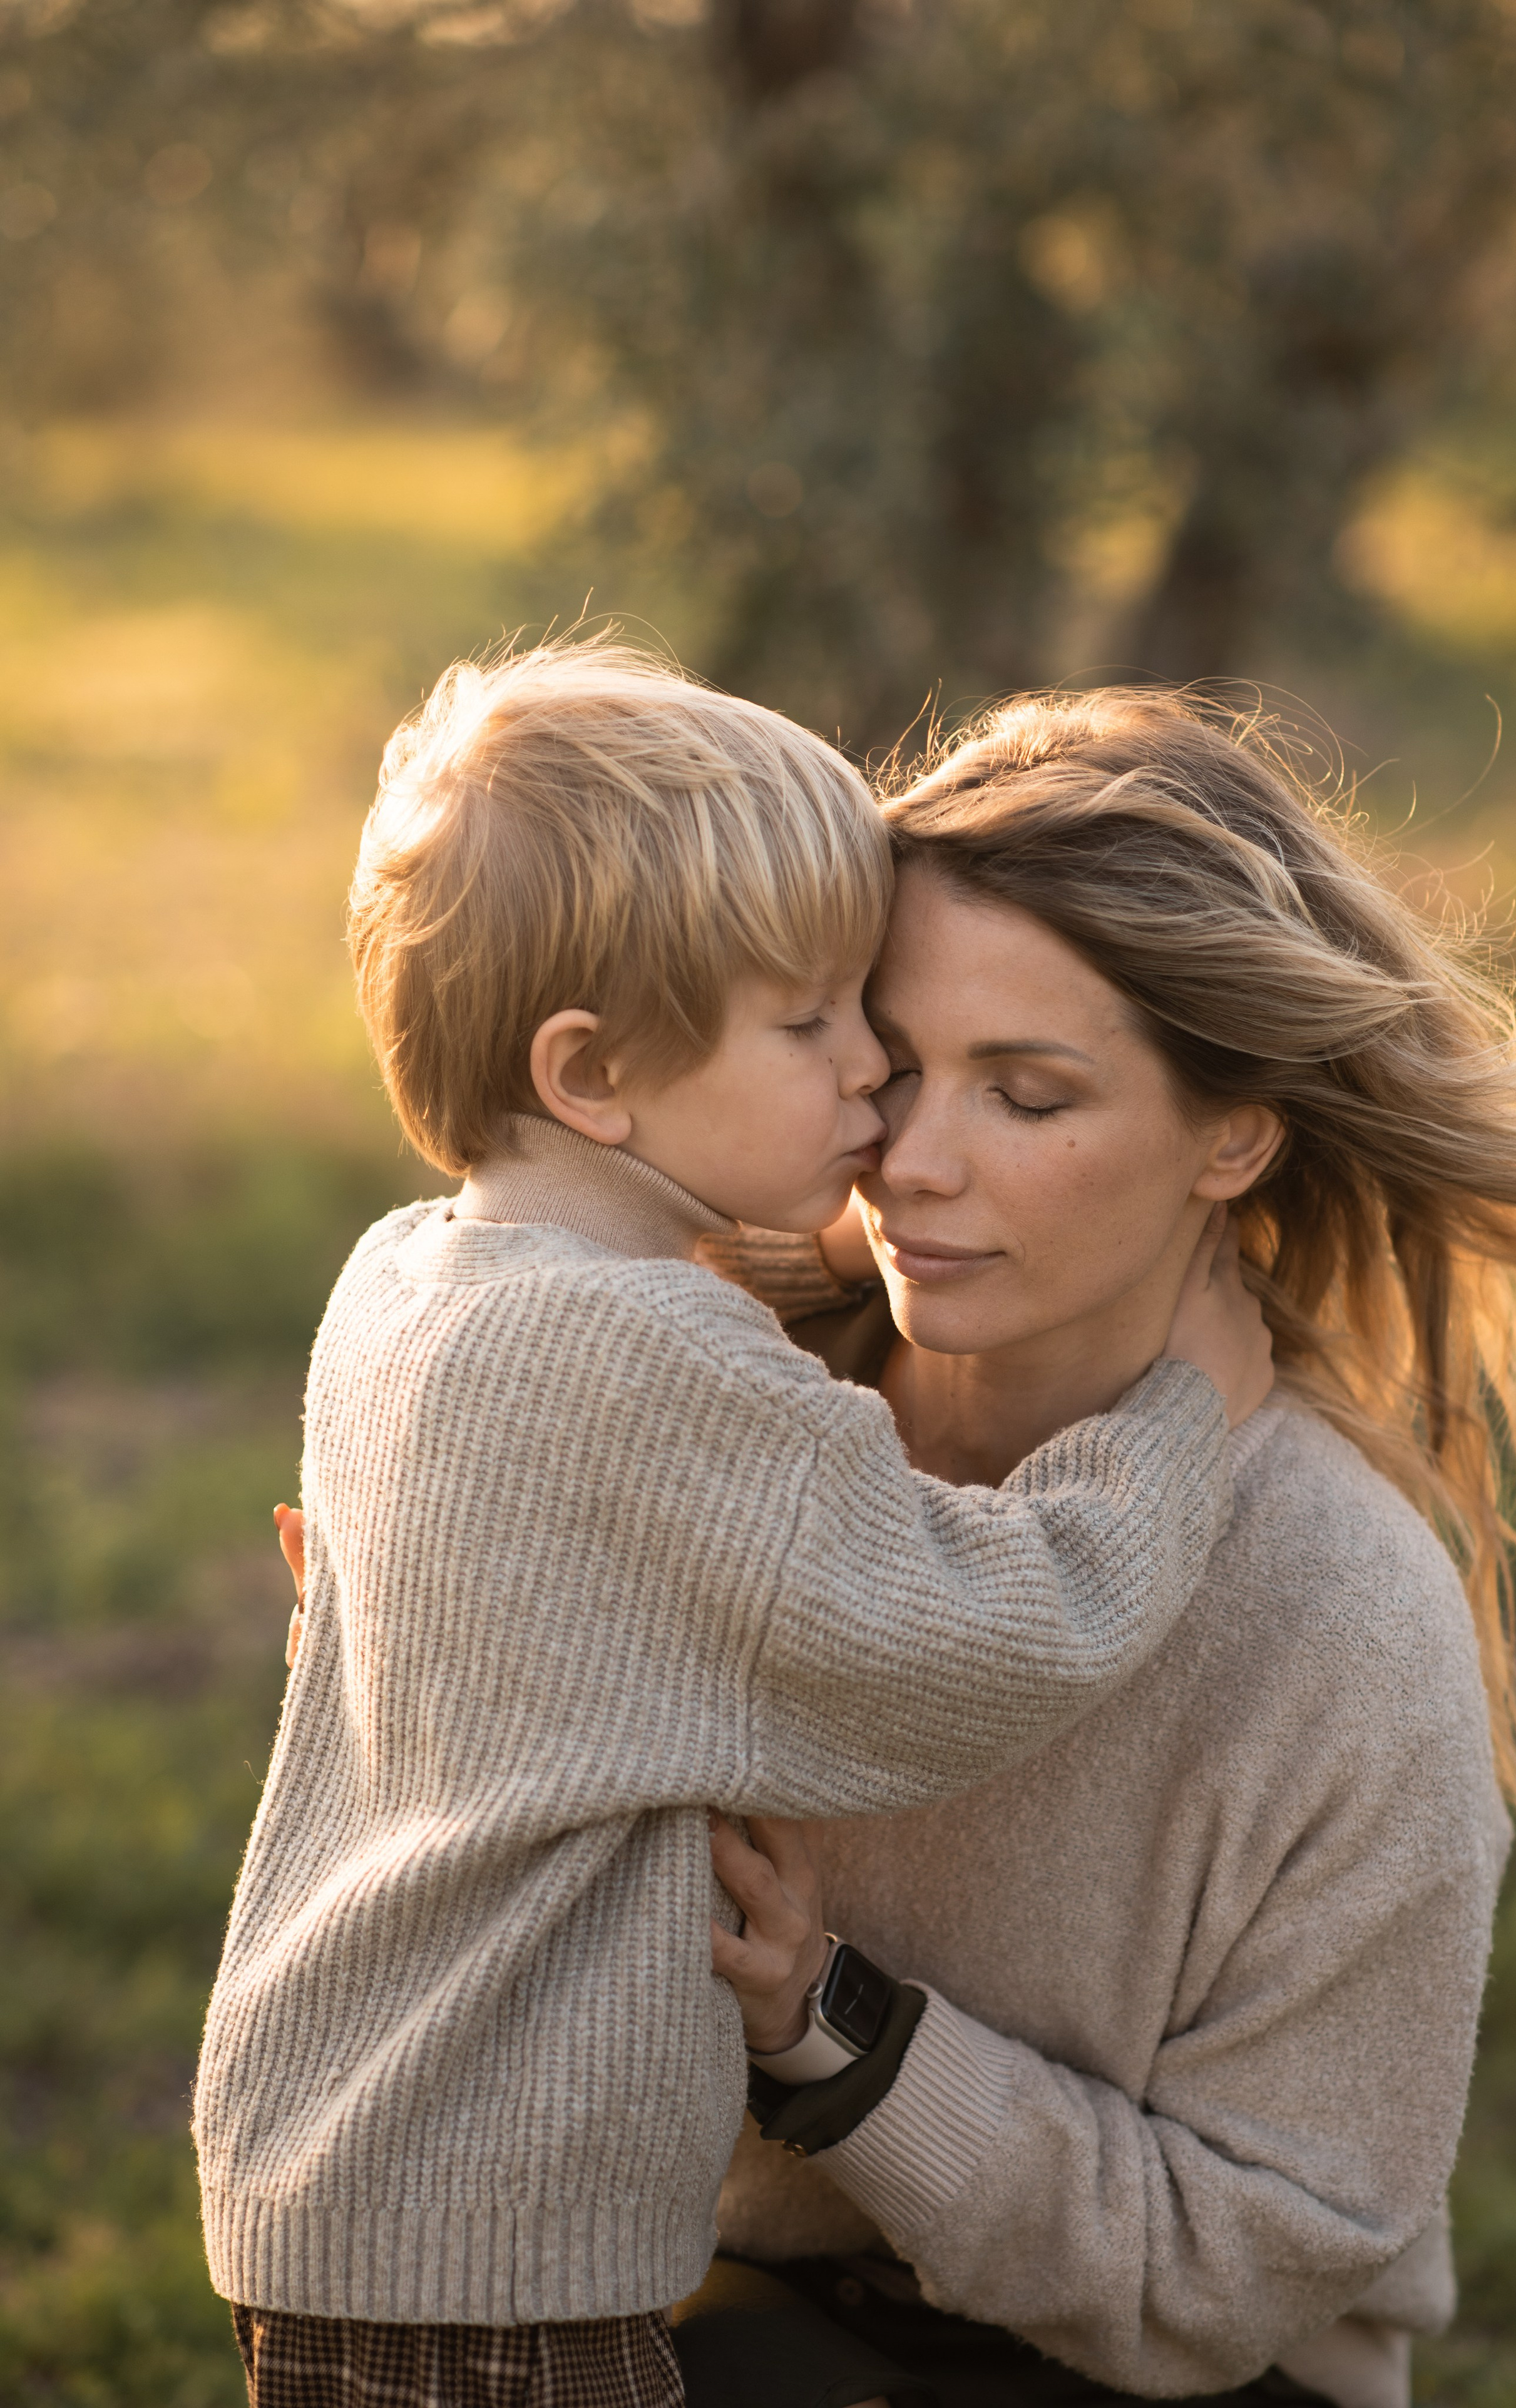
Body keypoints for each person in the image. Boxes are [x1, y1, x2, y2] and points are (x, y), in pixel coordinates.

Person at [197, 643, 1273, 2408]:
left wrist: (840, 1229)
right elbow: (992, 1637)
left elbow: (643, 1301)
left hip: (347, 2166)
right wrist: (1177, 1424)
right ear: (591, 1074)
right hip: (502, 2250)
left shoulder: (411, 1278)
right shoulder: (655, 1365)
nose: (872, 1074)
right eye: (812, 1024)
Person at [674, 686, 1516, 2408]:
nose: (911, 1164)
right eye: (893, 1065)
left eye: (1027, 1098)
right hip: (743, 2306)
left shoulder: (1340, 1608)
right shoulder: (719, 1410)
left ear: (1231, 1135)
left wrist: (826, 2025)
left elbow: (1240, 2263)